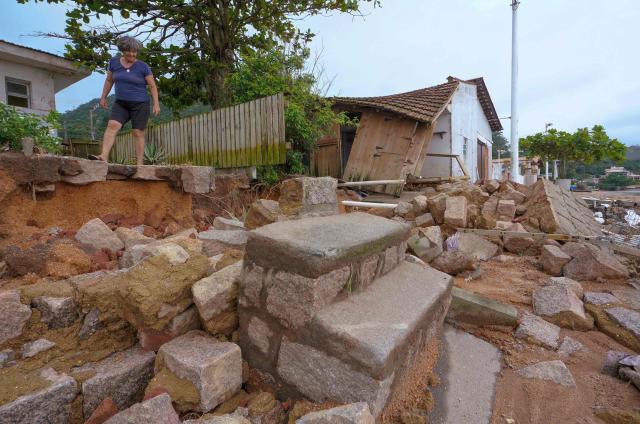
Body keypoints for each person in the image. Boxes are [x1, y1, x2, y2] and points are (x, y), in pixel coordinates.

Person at [89, 36, 160, 165]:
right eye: (130, 51)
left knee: (137, 132)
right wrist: (103, 96)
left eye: (135, 52)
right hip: (121, 103)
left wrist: (156, 104)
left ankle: (139, 164)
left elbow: (152, 86)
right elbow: (109, 80)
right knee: (112, 126)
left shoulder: (143, 66)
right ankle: (103, 156)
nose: (133, 54)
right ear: (123, 50)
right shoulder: (114, 63)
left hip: (140, 104)